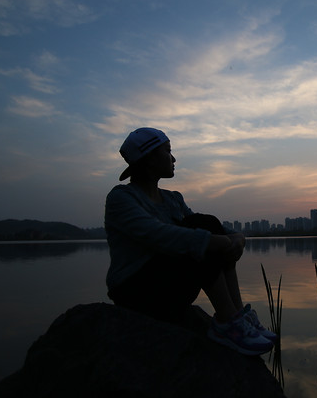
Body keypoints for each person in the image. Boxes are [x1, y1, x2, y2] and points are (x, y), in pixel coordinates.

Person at [104, 127, 276, 356]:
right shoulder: (121, 198)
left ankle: (236, 316)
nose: (173, 158)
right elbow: (161, 236)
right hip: (137, 291)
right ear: (150, 160)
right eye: (167, 151)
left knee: (205, 223)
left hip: (168, 283)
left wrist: (236, 238)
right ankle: (227, 323)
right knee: (202, 233)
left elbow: (212, 228)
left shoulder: (173, 199)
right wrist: (222, 242)